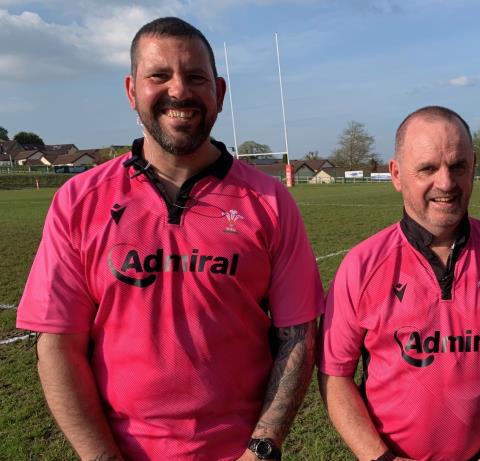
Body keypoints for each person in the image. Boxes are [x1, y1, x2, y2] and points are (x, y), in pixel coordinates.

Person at [16, 17, 323, 461]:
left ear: (218, 90)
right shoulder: (79, 201)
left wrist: (261, 449)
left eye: (195, 77)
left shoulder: (271, 202)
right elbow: (57, 344)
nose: (179, 91)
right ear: (130, 90)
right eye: (159, 76)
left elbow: (297, 335)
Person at [318, 106, 480, 461]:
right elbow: (334, 374)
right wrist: (377, 457)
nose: (446, 183)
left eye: (458, 166)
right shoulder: (361, 266)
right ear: (397, 174)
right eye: (428, 168)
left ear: (474, 166)